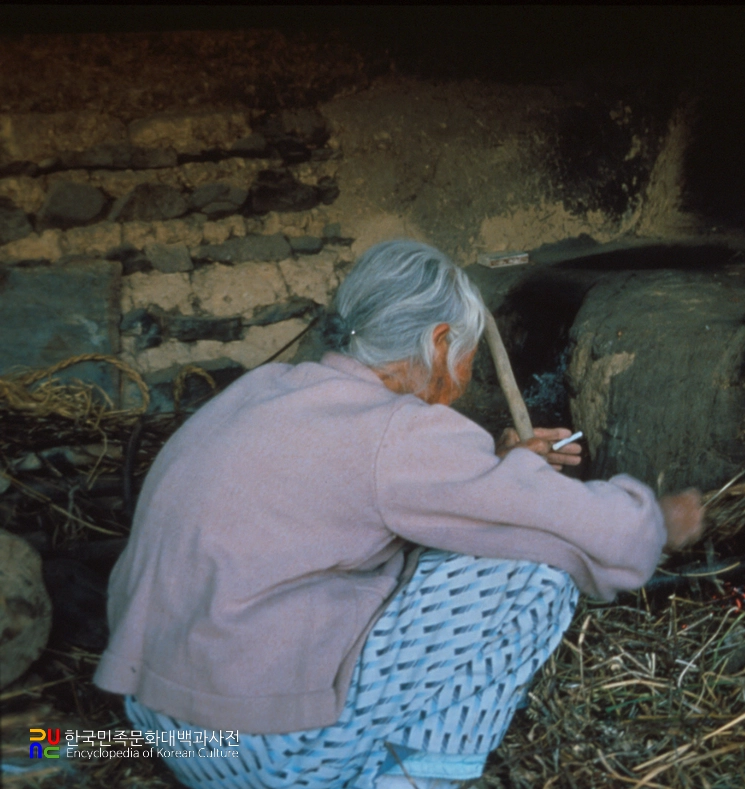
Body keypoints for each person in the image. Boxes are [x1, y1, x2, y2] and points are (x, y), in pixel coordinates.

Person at [94, 239, 704, 789]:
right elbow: (567, 524)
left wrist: (497, 469)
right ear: (438, 344)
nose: (461, 383)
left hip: (162, 728)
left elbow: (370, 490)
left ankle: (69, 746)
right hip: (266, 754)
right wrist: (655, 521)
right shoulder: (396, 428)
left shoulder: (264, 387)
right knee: (533, 567)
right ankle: (411, 779)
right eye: (466, 359)